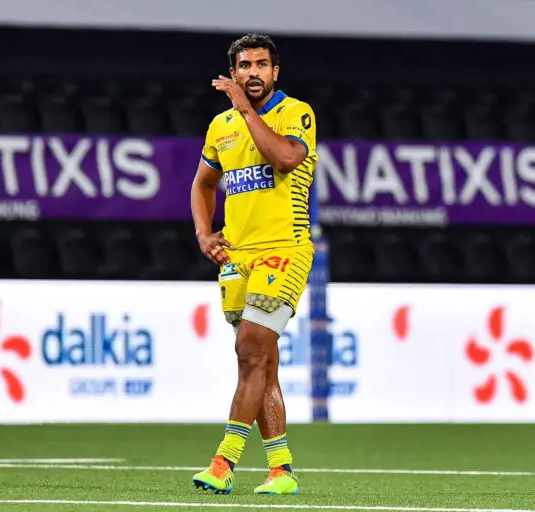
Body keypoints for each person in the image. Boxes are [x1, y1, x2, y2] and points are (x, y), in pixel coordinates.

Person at [190, 32, 317, 496]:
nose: (253, 72)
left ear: (275, 71)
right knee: (262, 361)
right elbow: (203, 183)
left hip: (284, 250)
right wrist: (204, 233)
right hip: (237, 256)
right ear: (234, 71)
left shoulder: (296, 113)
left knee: (249, 349)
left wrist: (245, 109)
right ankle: (281, 470)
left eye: (261, 64)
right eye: (244, 66)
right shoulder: (219, 126)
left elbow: (284, 158)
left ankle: (224, 462)